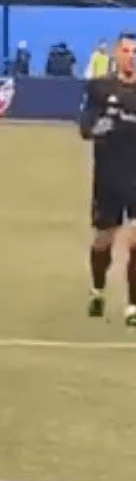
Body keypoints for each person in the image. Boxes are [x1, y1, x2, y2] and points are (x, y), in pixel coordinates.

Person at [80, 33, 136, 325]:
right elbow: (85, 128)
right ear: (116, 54)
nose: (131, 56)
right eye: (126, 50)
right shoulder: (100, 89)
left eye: (135, 51)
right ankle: (97, 290)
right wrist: (96, 128)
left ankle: (132, 307)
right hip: (109, 178)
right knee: (103, 242)